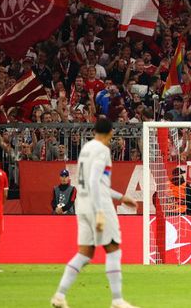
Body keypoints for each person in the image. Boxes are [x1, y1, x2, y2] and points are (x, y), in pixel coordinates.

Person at [51, 117, 140, 308]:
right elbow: (94, 182)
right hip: (97, 204)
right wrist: (100, 210)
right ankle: (117, 300)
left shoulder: (86, 149)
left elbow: (93, 182)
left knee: (84, 254)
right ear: (110, 133)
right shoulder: (102, 150)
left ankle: (59, 295)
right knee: (113, 249)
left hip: (82, 205)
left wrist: (121, 197)